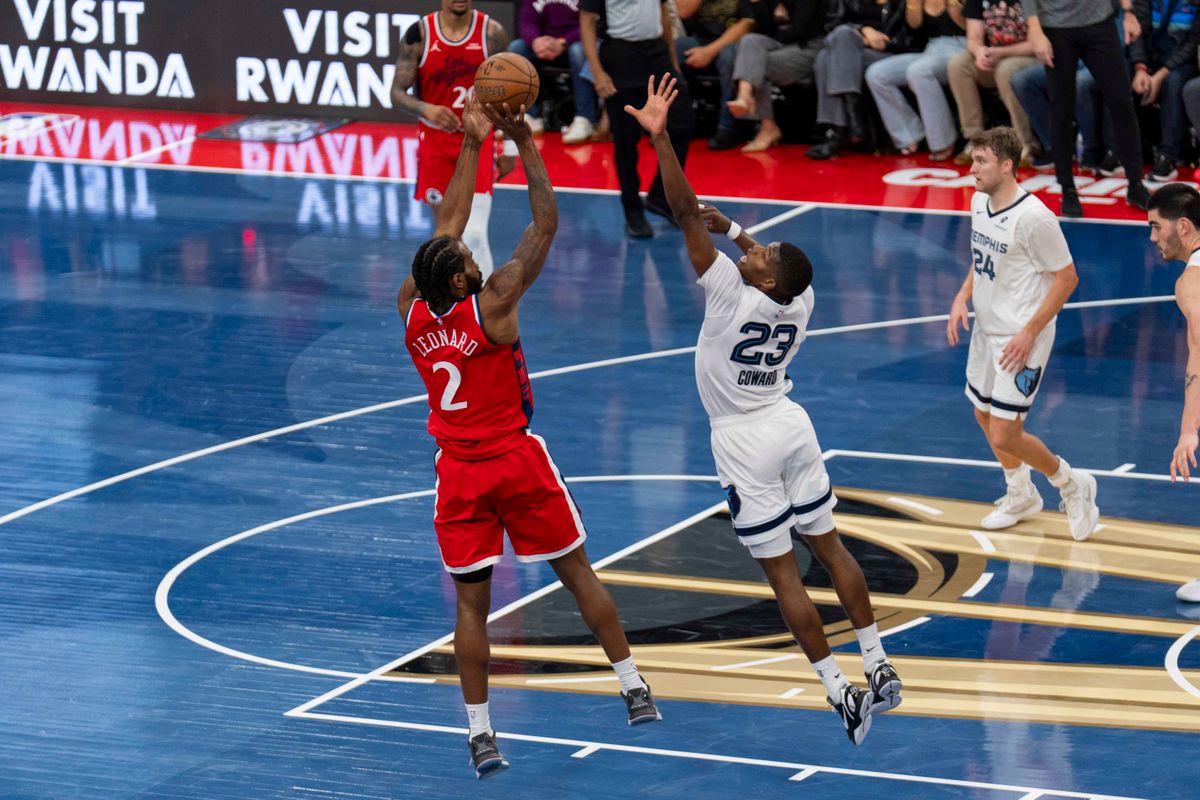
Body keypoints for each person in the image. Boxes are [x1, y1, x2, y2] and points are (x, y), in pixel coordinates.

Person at [626, 73, 904, 745]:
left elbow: (683, 211)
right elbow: (759, 254)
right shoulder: (798, 300)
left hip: (744, 439)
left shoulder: (727, 294)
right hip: (790, 423)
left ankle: (839, 690)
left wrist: (662, 139)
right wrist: (742, 230)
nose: (756, 251)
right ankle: (880, 665)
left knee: (783, 574)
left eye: (764, 254)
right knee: (831, 548)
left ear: (766, 278)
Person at [399, 99, 661, 780]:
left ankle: (481, 735)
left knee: (470, 605)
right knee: (577, 575)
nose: (469, 253)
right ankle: (633, 685)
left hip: (457, 470)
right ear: (460, 278)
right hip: (514, 460)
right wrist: (523, 143)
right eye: (464, 258)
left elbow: (446, 224)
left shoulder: (411, 310)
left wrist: (470, 148)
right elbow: (545, 223)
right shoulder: (496, 304)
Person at [946, 126, 1100, 542]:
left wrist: (1029, 333)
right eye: (973, 159)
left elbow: (1066, 278)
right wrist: (963, 296)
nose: (972, 168)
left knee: (1004, 432)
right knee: (982, 413)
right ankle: (1020, 493)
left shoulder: (1035, 219)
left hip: (1021, 338)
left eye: (981, 161)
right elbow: (981, 260)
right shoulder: (979, 202)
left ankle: (1070, 483)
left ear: (1008, 165)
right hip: (986, 327)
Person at [390, 0, 510, 277]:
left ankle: (482, 305)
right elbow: (397, 92)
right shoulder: (419, 34)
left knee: (476, 234)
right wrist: (426, 108)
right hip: (435, 143)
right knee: (448, 237)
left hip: (478, 140)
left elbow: (509, 94)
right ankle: (453, 304)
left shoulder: (491, 32)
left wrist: (511, 147)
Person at [1023, 0, 1151, 217]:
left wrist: (1128, 11)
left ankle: (1135, 183)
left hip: (1099, 21)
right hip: (1056, 26)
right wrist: (1034, 30)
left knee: (1122, 102)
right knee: (1061, 109)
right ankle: (1068, 188)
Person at [581, 0, 695, 238]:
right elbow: (587, 22)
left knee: (682, 122)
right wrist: (597, 71)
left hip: (656, 52)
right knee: (625, 139)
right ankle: (632, 209)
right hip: (621, 54)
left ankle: (660, 198)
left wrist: (673, 62)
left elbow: (663, 14)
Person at [1144, 183, 1200, 602]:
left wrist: (1188, 431)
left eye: (1155, 226)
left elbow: (1199, 350)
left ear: (1182, 226)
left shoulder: (1191, 282)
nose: (1152, 237)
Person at [807, 0, 911, 161]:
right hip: (847, 51)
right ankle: (850, 118)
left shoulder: (901, 3)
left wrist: (872, 41)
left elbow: (908, 39)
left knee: (826, 58)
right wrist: (863, 30)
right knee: (833, 47)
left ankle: (839, 130)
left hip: (885, 54)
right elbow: (830, 27)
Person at [865, 0, 967, 160]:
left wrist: (950, 4)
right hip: (931, 50)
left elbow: (966, 26)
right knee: (877, 74)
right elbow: (914, 26)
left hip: (961, 48)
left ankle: (943, 142)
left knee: (919, 71)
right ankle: (910, 135)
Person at [725, 0, 831, 153]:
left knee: (755, 63)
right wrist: (758, 4)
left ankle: (765, 124)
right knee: (749, 41)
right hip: (781, 42)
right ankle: (744, 96)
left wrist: (771, 36)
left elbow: (800, 30)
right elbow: (763, 28)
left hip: (809, 46)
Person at [946, 0, 1039, 165]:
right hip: (997, 55)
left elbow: (1035, 43)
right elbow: (973, 38)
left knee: (1005, 69)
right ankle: (975, 140)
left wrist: (1001, 53)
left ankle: (1025, 143)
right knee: (958, 65)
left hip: (1032, 57)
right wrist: (979, 51)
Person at [509, 0, 601, 143]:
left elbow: (589, 23)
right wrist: (536, 42)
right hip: (545, 47)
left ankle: (585, 118)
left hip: (574, 44)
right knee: (517, 48)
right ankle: (530, 115)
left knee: (579, 51)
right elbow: (527, 21)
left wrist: (563, 42)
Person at [1128, 0, 1200, 183]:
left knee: (1174, 81)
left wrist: (1159, 76)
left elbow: (1191, 46)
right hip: (1150, 59)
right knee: (1119, 75)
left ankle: (1167, 156)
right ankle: (1124, 151)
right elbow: (1137, 32)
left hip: (1182, 63)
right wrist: (1141, 67)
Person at [675, 0, 756, 150]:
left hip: (735, 42)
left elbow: (748, 23)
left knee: (728, 58)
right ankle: (679, 124)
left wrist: (709, 52)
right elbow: (683, 11)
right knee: (671, 51)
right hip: (699, 40)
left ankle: (727, 128)